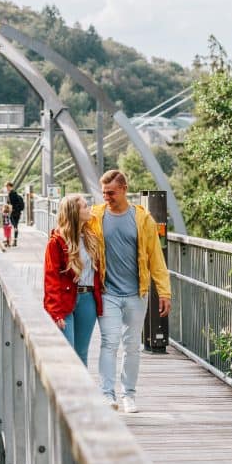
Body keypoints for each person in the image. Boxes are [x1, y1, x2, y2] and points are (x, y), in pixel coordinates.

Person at [87, 169, 171, 413]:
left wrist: (164, 292)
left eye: (111, 193)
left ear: (124, 189)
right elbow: (70, 228)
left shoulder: (143, 219)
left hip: (137, 293)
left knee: (132, 345)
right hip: (107, 292)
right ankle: (107, 394)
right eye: (103, 193)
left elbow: (156, 258)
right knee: (109, 342)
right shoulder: (95, 216)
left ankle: (129, 395)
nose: (107, 197)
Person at [43, 194, 103, 367]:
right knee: (67, 353)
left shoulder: (90, 237)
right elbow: (51, 278)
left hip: (88, 300)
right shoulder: (56, 242)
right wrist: (55, 311)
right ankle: (66, 393)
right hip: (65, 301)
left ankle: (83, 394)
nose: (89, 208)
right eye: (84, 206)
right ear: (74, 212)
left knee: (81, 353)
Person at [5, 181, 24, 246]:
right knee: (16, 226)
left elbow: (10, 204)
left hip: (12, 212)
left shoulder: (11, 194)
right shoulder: (17, 194)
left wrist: (8, 210)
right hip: (18, 212)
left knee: (11, 225)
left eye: (7, 186)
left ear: (10, 186)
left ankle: (8, 241)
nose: (6, 188)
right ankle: (15, 240)